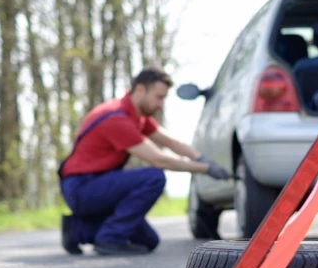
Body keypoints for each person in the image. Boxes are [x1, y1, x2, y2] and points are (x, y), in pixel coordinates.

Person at [57, 66, 232, 256]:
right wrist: (205, 169)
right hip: (82, 187)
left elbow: (170, 141)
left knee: (149, 241)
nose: (161, 104)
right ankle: (109, 238)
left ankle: (77, 230)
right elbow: (159, 159)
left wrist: (200, 157)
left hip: (99, 184)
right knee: (154, 177)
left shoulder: (134, 114)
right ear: (140, 89)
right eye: (159, 97)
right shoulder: (116, 117)